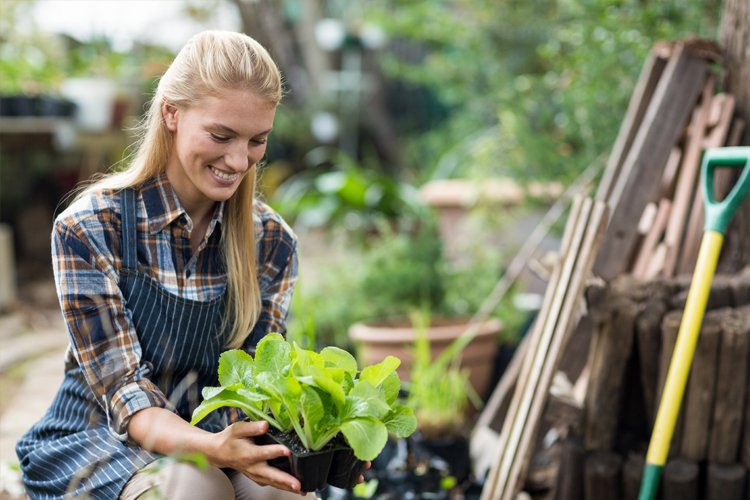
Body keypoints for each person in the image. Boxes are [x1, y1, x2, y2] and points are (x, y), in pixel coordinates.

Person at [16, 30, 310, 499]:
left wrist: (328, 444)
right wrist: (213, 449)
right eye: (221, 135)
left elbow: (261, 385)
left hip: (218, 432)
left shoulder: (270, 241)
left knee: (284, 491)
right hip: (101, 440)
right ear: (171, 112)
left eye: (258, 141)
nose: (239, 161)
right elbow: (127, 397)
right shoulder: (91, 227)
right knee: (194, 484)